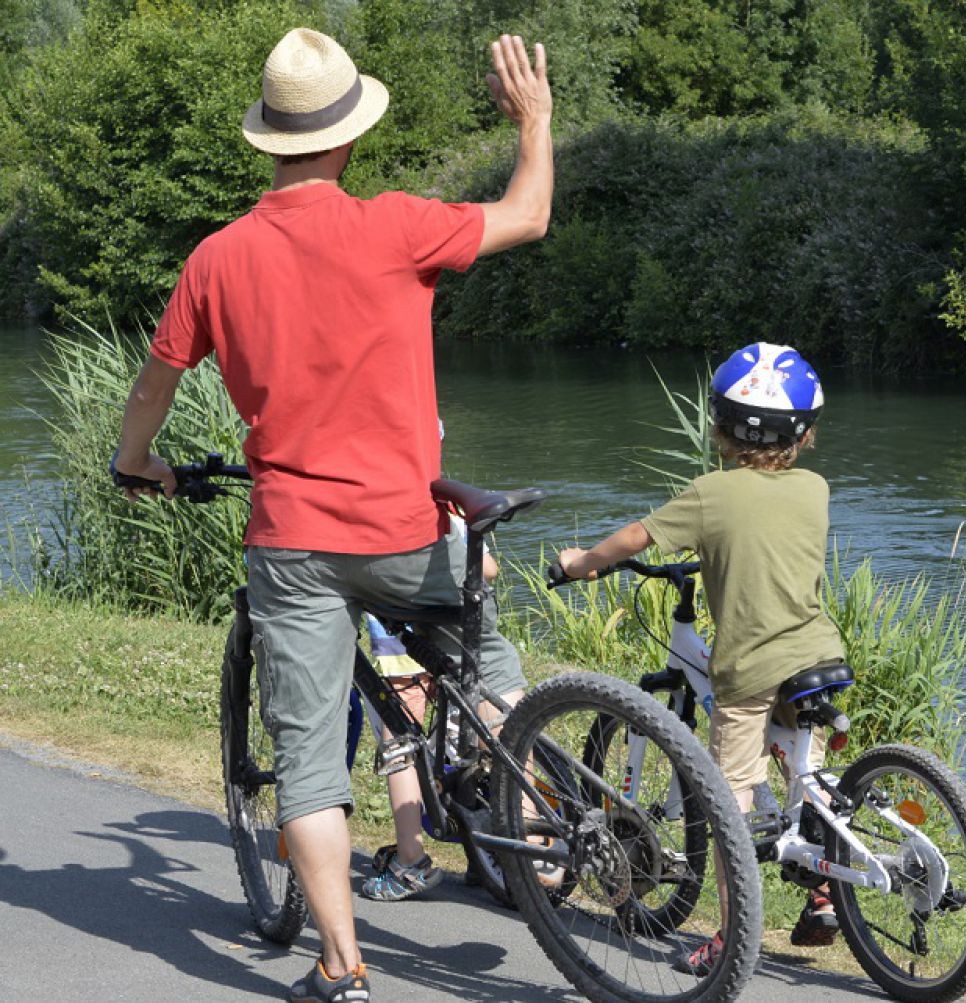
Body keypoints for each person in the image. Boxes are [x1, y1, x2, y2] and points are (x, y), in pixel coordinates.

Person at [112, 27, 552, 1003]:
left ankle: (344, 968)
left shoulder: (217, 260)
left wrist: (136, 463)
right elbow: (529, 213)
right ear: (348, 137)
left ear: (270, 140)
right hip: (405, 529)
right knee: (486, 667)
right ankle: (543, 813)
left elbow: (152, 389)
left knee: (308, 765)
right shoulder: (398, 226)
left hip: (296, 545)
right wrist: (534, 119)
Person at [556, 342, 847, 975]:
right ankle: (826, 890)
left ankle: (731, 934)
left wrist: (582, 563)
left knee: (727, 796)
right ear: (804, 432)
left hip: (753, 666)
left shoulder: (712, 493)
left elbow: (638, 537)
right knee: (808, 773)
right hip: (818, 651)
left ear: (721, 425)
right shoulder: (815, 487)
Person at [360, 531, 500, 903]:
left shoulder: (388, 508)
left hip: (401, 627)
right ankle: (483, 853)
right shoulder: (449, 508)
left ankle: (410, 860)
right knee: (464, 739)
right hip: (459, 630)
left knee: (399, 737)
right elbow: (488, 568)